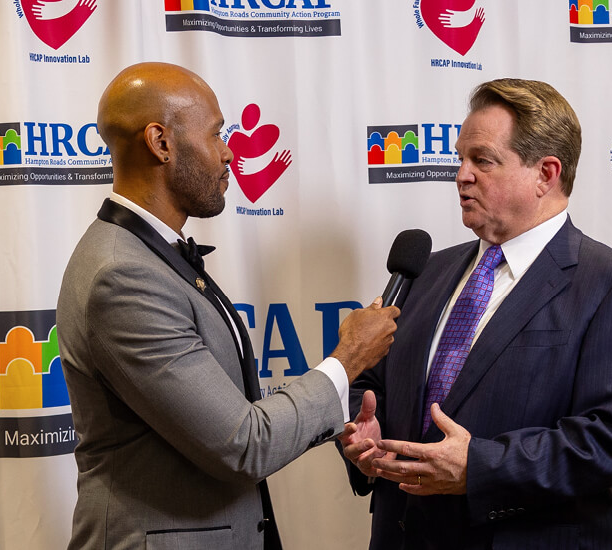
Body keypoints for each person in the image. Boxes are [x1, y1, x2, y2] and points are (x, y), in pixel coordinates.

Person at [56, 62, 399, 550]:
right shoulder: (123, 276)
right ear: (161, 143)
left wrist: (335, 414)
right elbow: (242, 445)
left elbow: (220, 415)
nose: (229, 152)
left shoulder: (150, 253)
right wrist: (347, 362)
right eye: (218, 134)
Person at [339, 78, 612, 549]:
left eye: (482, 160)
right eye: (460, 158)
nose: (461, 175)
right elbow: (370, 383)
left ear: (546, 173)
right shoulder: (426, 272)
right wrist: (363, 428)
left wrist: (479, 467)